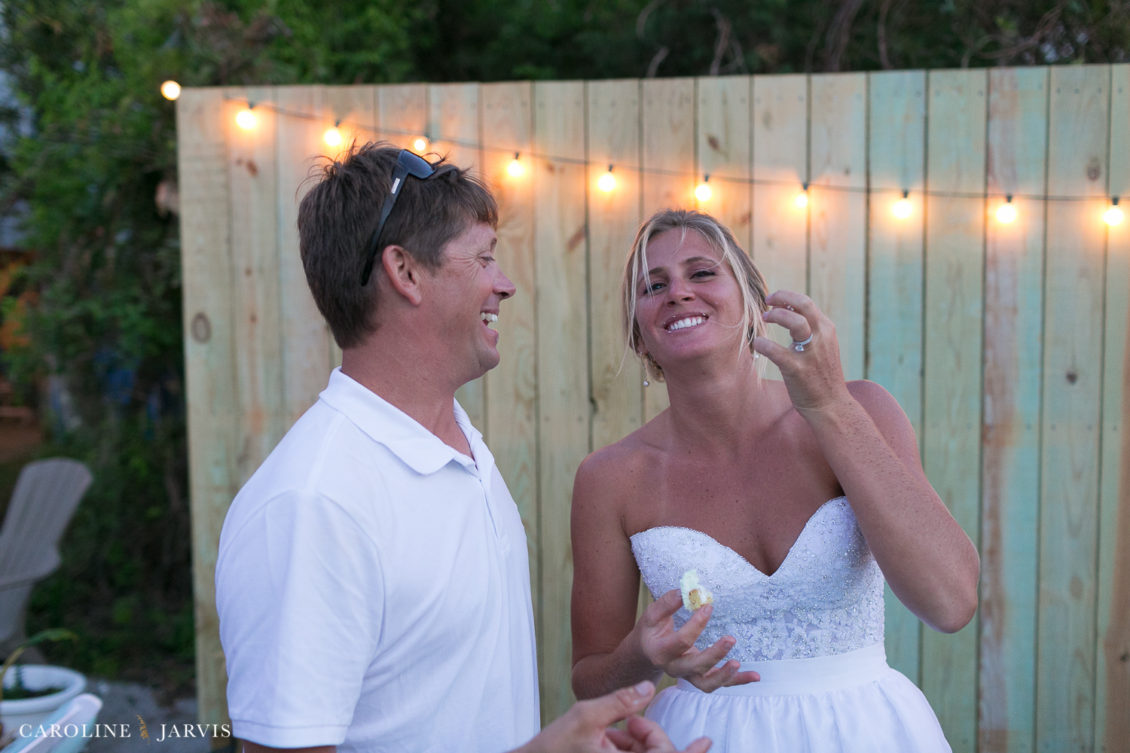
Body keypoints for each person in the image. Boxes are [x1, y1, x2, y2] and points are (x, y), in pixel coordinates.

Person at [215, 143, 711, 753]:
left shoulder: (460, 448)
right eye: (483, 259)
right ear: (406, 272)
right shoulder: (314, 505)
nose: (503, 285)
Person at [569, 208, 980, 752]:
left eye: (702, 272)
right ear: (640, 337)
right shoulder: (611, 479)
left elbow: (950, 603)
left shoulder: (860, 410)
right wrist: (642, 654)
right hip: (703, 737)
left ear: (754, 307)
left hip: (866, 733)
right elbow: (591, 683)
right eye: (654, 285)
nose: (678, 293)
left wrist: (832, 407)